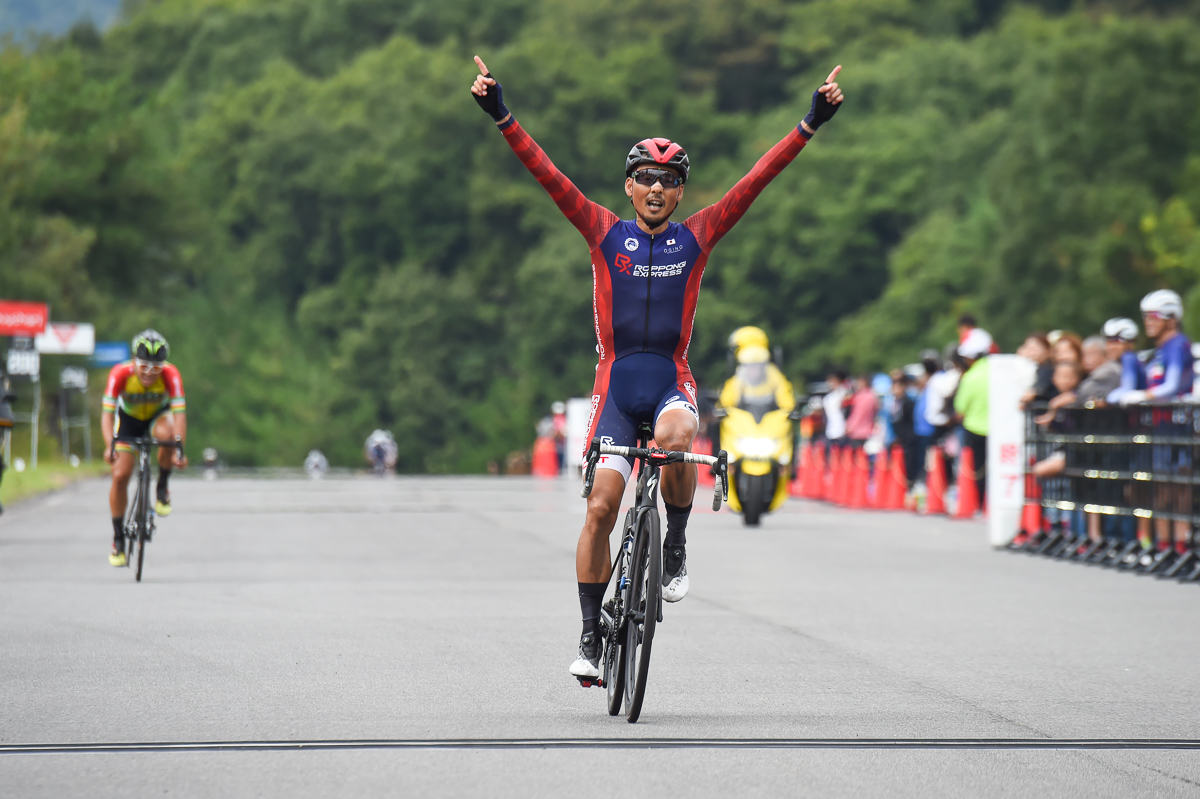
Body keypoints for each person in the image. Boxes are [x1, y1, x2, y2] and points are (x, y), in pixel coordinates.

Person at [470, 54, 845, 681]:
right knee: (600, 510)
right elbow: (548, 176)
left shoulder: (696, 236)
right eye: (646, 177)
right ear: (628, 186)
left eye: (670, 180)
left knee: (676, 440)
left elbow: (755, 181)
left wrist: (810, 122)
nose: (657, 189)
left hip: (671, 379)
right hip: (615, 385)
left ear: (680, 192)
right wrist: (501, 114)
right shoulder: (602, 232)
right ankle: (591, 635)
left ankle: (674, 545)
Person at [102, 330, 188, 566]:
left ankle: (162, 487)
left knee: (169, 436)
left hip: (157, 419)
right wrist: (110, 445)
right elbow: (107, 415)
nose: (150, 372)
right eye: (144, 366)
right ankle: (118, 537)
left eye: (156, 367)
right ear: (133, 361)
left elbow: (179, 415)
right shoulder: (120, 373)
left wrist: (179, 449)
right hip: (128, 422)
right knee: (120, 475)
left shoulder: (171, 374)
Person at [954, 328, 992, 507]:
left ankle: (978, 504)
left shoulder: (969, 377)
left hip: (974, 429)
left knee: (977, 470)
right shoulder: (997, 372)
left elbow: (960, 408)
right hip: (997, 430)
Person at [718, 345, 795, 418]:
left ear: (763, 366)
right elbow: (727, 401)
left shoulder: (774, 377)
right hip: (743, 424)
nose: (754, 369)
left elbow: (785, 397)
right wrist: (726, 409)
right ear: (744, 367)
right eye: (750, 366)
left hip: (770, 422)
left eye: (758, 366)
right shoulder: (737, 380)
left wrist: (788, 410)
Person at [1103, 317, 1146, 404]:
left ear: (1130, 343)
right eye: (1109, 342)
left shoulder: (1128, 357)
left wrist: (1106, 400)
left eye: (1116, 342)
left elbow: (1127, 389)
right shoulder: (1128, 359)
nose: (1111, 347)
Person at [845, 374, 878, 448]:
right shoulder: (873, 395)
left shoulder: (859, 397)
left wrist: (849, 427)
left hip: (857, 432)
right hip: (870, 431)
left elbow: (858, 414)